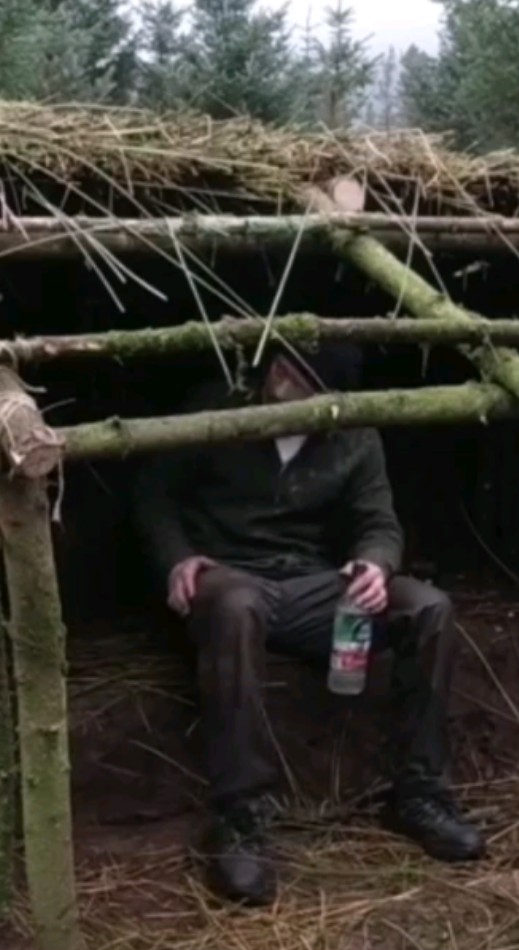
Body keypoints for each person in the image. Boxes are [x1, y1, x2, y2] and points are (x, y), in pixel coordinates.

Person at [132, 342, 486, 907]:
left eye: (299, 374)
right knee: (237, 604)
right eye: (281, 362)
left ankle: (420, 794)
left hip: (309, 582)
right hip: (227, 574)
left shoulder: (353, 434)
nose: (282, 374)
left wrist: (375, 562)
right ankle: (241, 816)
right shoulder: (217, 408)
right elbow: (154, 496)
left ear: (329, 395)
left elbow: (379, 520)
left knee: (428, 608)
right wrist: (177, 557)